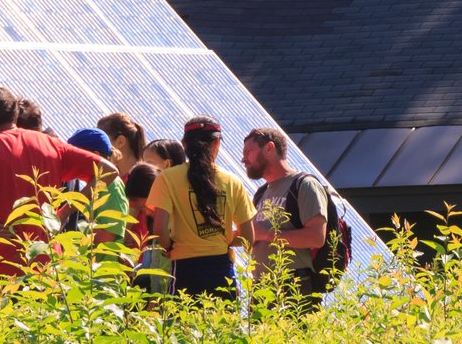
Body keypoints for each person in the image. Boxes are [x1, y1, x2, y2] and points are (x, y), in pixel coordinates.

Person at [0, 86, 107, 277]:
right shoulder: (50, 143)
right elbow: (108, 171)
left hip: (1, 266)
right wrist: (63, 213)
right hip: (46, 263)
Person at [146, 116, 255, 300]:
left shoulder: (167, 178)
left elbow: (159, 229)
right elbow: (248, 238)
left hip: (184, 270)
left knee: (183, 325)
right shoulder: (233, 182)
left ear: (184, 144)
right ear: (217, 143)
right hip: (221, 270)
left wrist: (169, 246)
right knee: (222, 326)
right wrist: (219, 238)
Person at [242, 126, 333, 312]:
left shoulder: (304, 185)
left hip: (293, 287)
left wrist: (265, 234)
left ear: (269, 148)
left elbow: (316, 237)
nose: (243, 159)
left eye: (249, 152)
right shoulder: (261, 193)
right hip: (261, 288)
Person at [66, 127, 132, 258]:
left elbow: (105, 238)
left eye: (76, 155)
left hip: (98, 274)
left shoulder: (113, 186)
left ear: (95, 156)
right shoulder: (82, 183)